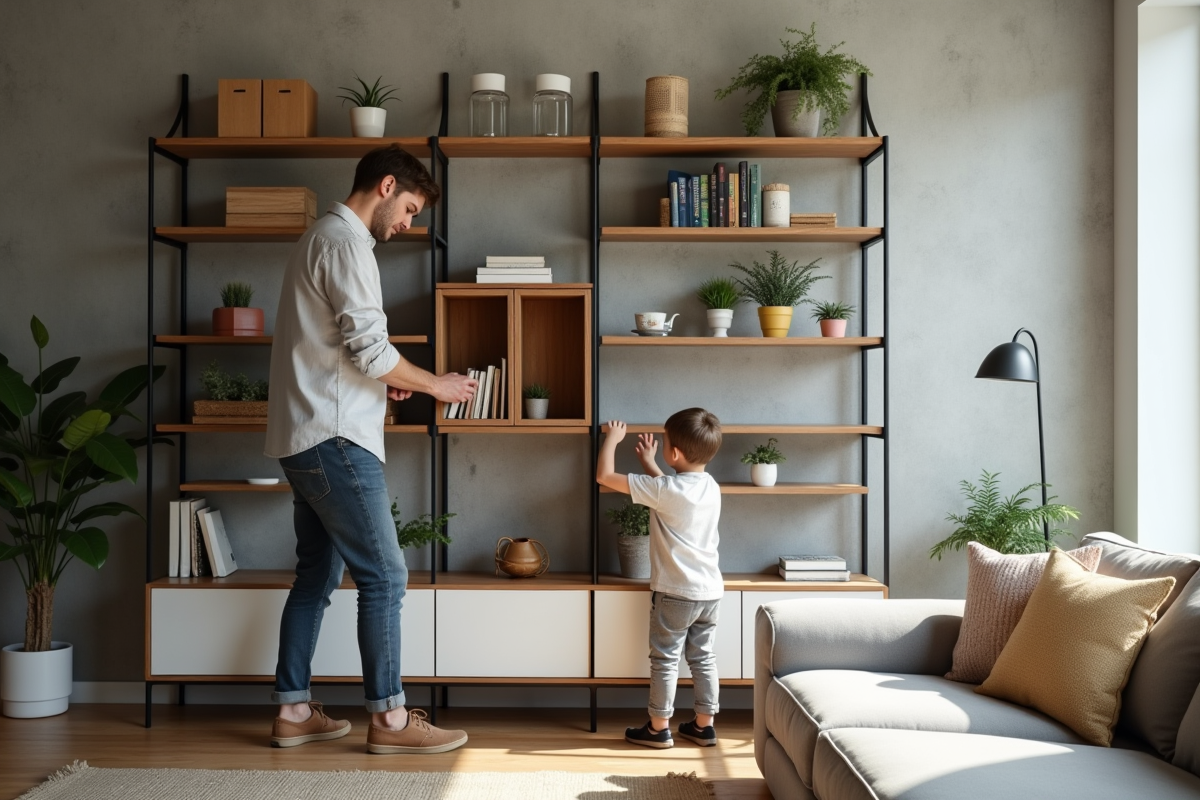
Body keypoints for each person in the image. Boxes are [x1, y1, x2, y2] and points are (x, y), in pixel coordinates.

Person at [264, 144, 476, 754]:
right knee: (385, 574)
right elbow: (371, 350)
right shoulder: (347, 242)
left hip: (307, 434)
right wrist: (436, 384)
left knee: (316, 575)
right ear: (386, 186)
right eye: (409, 209)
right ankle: (389, 720)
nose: (408, 224)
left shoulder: (319, 238)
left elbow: (340, 351)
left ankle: (294, 709)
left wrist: (383, 385)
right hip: (334, 439)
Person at [595, 410, 724, 749]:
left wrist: (612, 438)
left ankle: (658, 728)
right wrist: (651, 463)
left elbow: (604, 476)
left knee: (665, 658)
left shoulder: (666, 489)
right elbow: (669, 496)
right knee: (703, 657)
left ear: (676, 454)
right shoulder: (710, 486)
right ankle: (704, 725)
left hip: (676, 593)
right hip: (710, 592)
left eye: (665, 443)